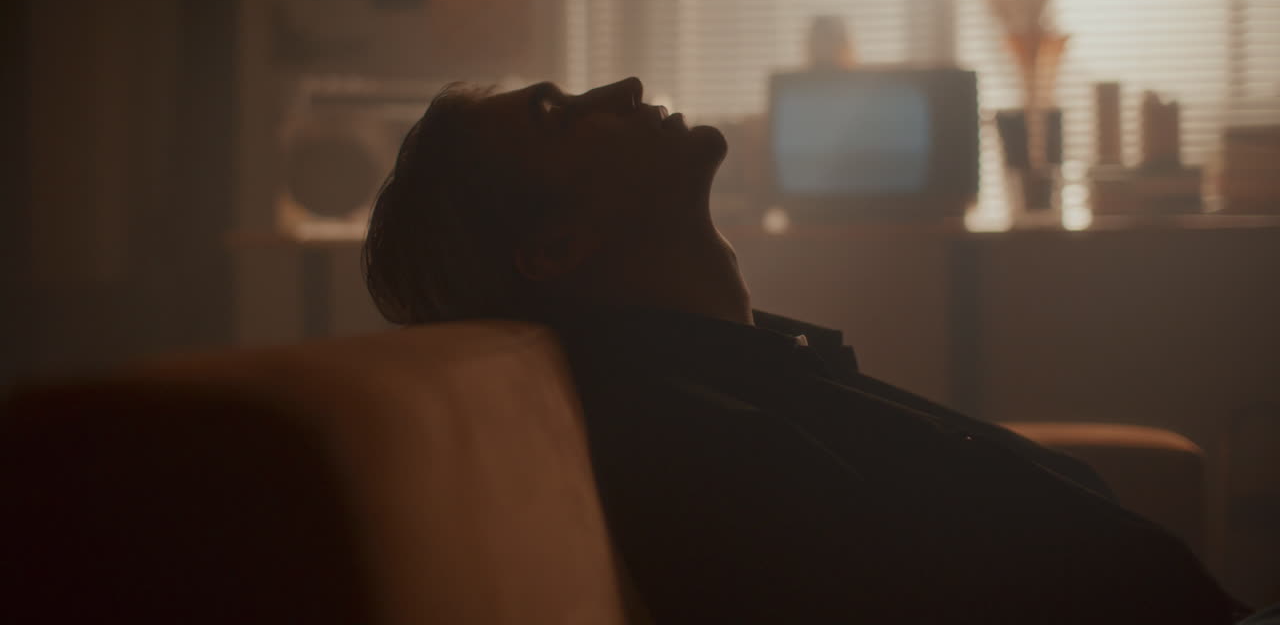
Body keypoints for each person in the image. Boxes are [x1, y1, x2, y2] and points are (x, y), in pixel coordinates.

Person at [362, 77, 1249, 623]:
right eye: (560, 115)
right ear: (554, 249)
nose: (624, 86)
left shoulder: (751, 367)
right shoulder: (694, 444)